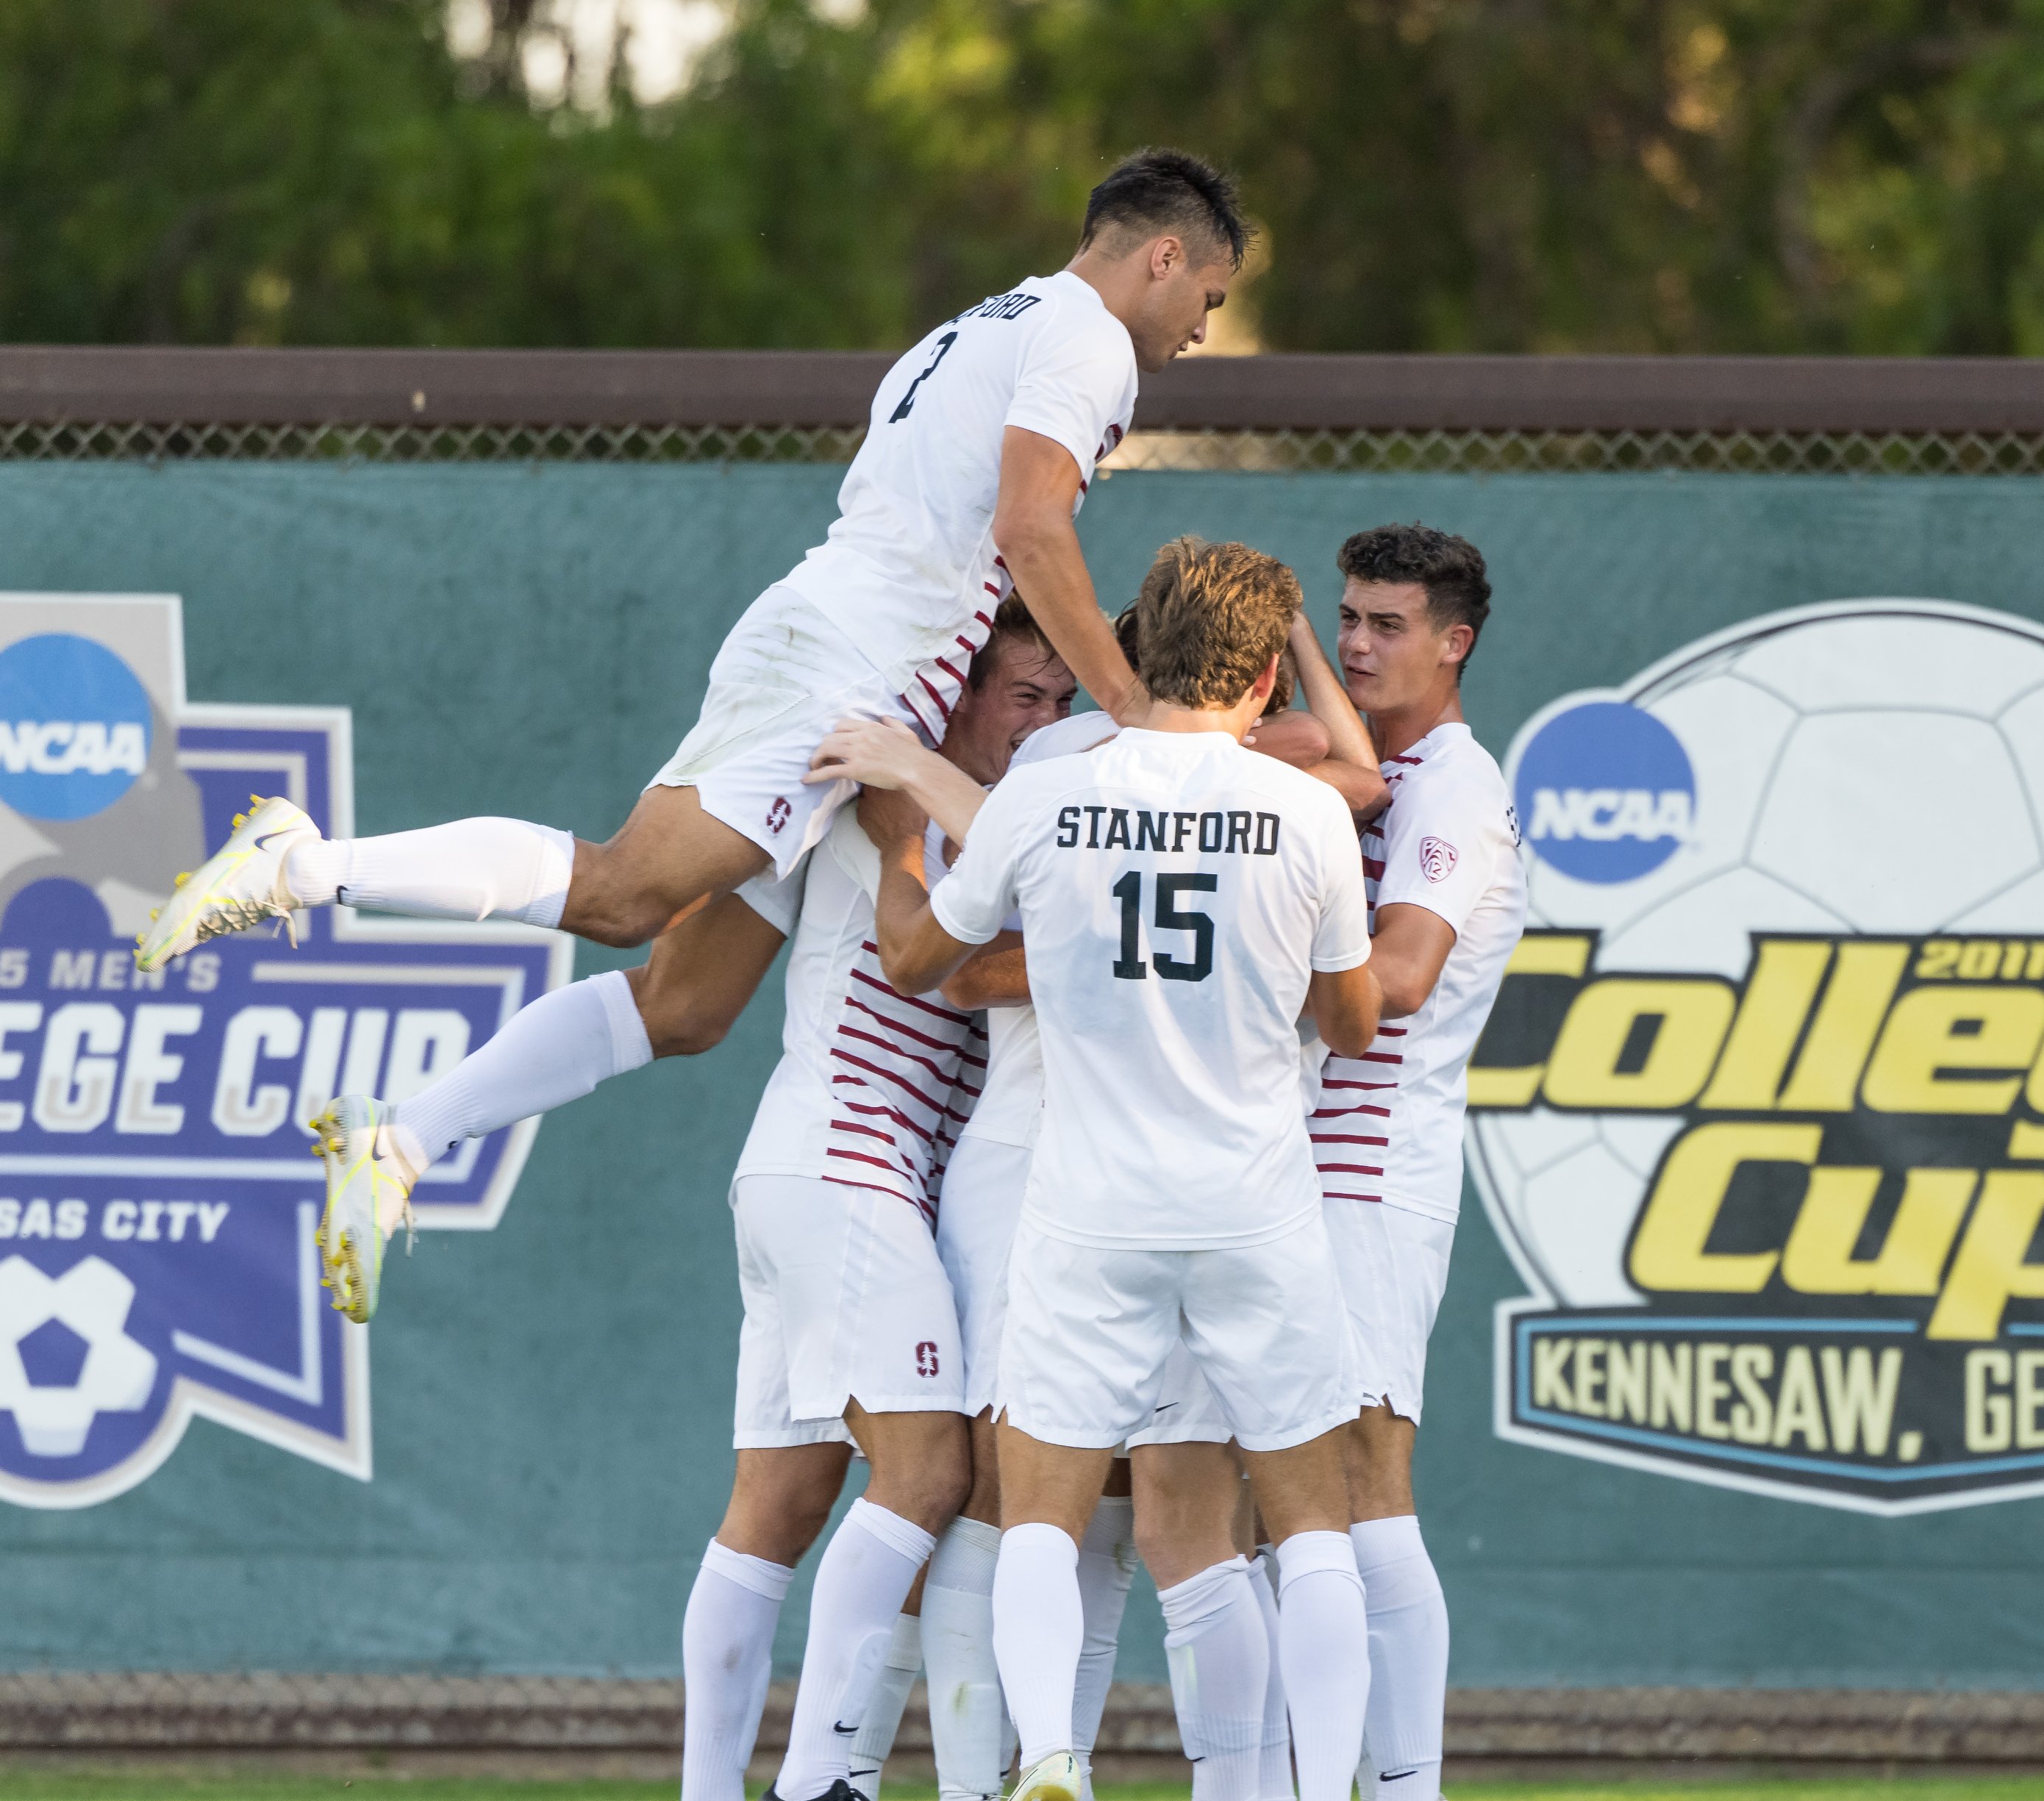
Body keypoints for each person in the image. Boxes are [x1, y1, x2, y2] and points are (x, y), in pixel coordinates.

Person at [118, 147, 1254, 1322]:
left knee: (686, 1007)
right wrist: (1134, 714)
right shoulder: (1088, 340)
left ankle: (400, 1141)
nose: (1203, 329)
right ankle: (304, 866)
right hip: (846, 670)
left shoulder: (991, 318)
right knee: (625, 894)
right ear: (1164, 256)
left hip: (855, 669)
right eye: (1209, 298)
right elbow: (1030, 528)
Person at [857, 537, 1401, 1801]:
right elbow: (1353, 1021)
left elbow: (923, 957)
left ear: (1136, 651)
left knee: (1040, 1517)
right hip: (1256, 1208)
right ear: (1266, 674)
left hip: (1090, 1207)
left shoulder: (1050, 794)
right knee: (1309, 1525)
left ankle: (1046, 1760)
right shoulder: (1306, 813)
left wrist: (897, 831)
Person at [654, 620, 1074, 1801]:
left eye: (1061, 700)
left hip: (809, 1167)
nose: (1043, 722)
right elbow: (943, 964)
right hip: (847, 1161)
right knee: (931, 1467)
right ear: (957, 694)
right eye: (1023, 692)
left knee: (776, 1509)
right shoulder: (895, 796)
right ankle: (811, 1790)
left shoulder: (969, 809)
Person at [1315, 523, 1522, 1801]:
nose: (1357, 643)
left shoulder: (1453, 787)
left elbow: (1393, 981)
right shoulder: (1359, 767)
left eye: (1387, 624)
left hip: (1376, 1172)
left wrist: (1221, 966)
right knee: (1286, 1497)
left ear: (1455, 643)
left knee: (1364, 1477)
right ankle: (1341, 1800)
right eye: (1346, 617)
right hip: (1299, 1172)